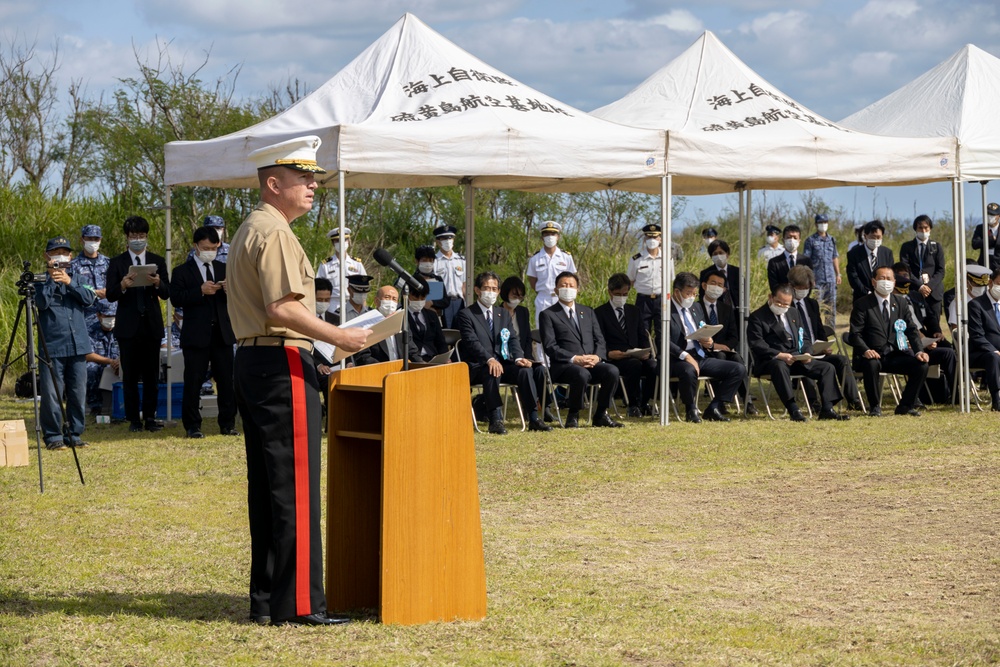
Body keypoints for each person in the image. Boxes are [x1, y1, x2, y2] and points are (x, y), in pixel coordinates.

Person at [228, 135, 370, 627]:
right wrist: (340, 336)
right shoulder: (275, 232)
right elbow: (283, 308)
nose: (313, 185)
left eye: (313, 177)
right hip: (280, 361)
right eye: (302, 177)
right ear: (273, 183)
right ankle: (301, 604)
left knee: (269, 486)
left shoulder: (254, 227)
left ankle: (269, 600)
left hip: (257, 361)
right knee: (294, 487)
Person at [457, 271, 551, 434]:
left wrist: (519, 357)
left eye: (494, 289)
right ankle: (495, 419)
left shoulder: (503, 314)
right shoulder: (467, 314)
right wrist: (489, 359)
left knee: (524, 370)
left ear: (499, 292)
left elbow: (513, 339)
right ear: (478, 290)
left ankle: (534, 417)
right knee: (492, 369)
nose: (491, 292)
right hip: (479, 366)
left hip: (504, 363)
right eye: (487, 288)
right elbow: (472, 343)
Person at [170, 227, 238, 439]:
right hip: (196, 334)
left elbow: (240, 298)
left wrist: (230, 290)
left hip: (222, 334)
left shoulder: (224, 268)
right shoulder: (182, 271)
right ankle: (192, 425)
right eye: (205, 248)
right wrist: (199, 291)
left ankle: (227, 424)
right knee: (193, 381)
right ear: (195, 246)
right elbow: (176, 298)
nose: (209, 251)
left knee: (226, 381)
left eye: (213, 248)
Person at [105, 215, 170, 433]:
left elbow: (168, 292)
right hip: (128, 326)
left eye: (142, 236)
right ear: (127, 238)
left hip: (151, 324)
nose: (138, 240)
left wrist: (158, 282)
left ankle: (150, 417)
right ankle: (133, 419)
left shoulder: (158, 261)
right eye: (134, 236)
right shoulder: (117, 262)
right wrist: (123, 285)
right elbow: (111, 295)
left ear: (147, 237)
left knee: (152, 375)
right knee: (130, 376)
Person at [747, 284, 848, 422]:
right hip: (771, 360)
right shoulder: (757, 317)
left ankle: (827, 408)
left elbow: (804, 337)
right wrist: (779, 355)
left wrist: (807, 353)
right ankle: (793, 409)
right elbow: (756, 344)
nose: (782, 306)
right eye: (779, 302)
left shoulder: (793, 313)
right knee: (780, 366)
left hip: (796, 357)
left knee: (827, 367)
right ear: (771, 297)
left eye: (785, 304)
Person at [539, 271, 622, 428]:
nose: (568, 288)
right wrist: (574, 359)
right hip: (564, 366)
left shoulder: (588, 312)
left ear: (578, 289)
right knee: (581, 373)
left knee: (612, 371)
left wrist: (597, 357)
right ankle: (573, 414)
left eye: (571, 286)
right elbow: (550, 346)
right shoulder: (548, 314)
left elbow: (600, 339)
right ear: (556, 290)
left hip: (591, 362)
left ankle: (601, 414)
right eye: (563, 285)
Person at [35, 236, 96, 450]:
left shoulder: (78, 278)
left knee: (78, 392)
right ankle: (53, 436)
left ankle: (74, 434)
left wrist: (69, 282)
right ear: (47, 256)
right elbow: (40, 304)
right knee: (52, 394)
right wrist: (52, 279)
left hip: (78, 345)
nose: (60, 256)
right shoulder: (39, 280)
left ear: (70, 256)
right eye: (55, 252)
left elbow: (89, 299)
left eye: (65, 252)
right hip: (52, 346)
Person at [848, 265, 929, 417]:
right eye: (881, 278)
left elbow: (911, 329)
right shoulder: (862, 304)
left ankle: (906, 405)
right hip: (871, 356)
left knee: (921, 366)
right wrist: (866, 350)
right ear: (873, 282)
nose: (886, 282)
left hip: (895, 354)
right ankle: (874, 407)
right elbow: (855, 334)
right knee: (872, 364)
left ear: (894, 282)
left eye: (889, 279)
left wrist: (919, 351)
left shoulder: (901, 303)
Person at [667, 272, 745, 423]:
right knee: (688, 370)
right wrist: (685, 356)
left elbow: (701, 328)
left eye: (694, 294)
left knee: (738, 369)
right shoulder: (665, 310)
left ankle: (714, 407)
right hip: (677, 358)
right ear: (677, 291)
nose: (691, 297)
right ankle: (690, 409)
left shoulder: (696, 307)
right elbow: (663, 340)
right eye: (688, 293)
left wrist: (707, 340)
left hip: (699, 354)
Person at [786, 265, 862, 410]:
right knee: (806, 363)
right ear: (791, 286)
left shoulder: (812, 304)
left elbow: (819, 330)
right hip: (798, 353)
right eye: (801, 287)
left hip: (817, 349)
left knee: (841, 360)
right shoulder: (785, 305)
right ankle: (813, 403)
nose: (804, 290)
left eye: (807, 287)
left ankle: (854, 400)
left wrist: (824, 346)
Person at [594, 273, 657, 418]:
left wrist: (645, 351)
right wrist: (609, 353)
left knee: (654, 366)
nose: (621, 297)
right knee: (633, 365)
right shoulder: (599, 313)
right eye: (618, 294)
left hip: (636, 354)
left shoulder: (634, 311)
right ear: (610, 292)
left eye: (625, 294)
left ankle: (644, 402)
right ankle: (633, 405)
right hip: (615, 357)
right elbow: (598, 339)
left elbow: (643, 335)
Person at [891, 269, 955, 405]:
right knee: (916, 359)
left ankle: (956, 394)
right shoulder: (889, 305)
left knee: (948, 351)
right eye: (900, 291)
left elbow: (930, 316)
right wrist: (922, 344)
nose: (904, 294)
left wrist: (936, 331)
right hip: (904, 347)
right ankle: (915, 398)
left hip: (922, 341)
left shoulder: (915, 297)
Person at [898, 215, 945, 336]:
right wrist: (920, 286)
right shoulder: (907, 247)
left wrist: (929, 286)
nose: (923, 231)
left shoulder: (936, 247)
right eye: (920, 228)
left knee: (934, 325)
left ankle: (934, 349)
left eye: (926, 228)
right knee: (914, 323)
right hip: (915, 291)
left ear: (930, 228)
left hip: (933, 293)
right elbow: (905, 270)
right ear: (915, 229)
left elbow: (940, 271)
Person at [527, 220, 576, 327]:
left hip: (563, 297)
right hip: (543, 299)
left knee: (565, 330)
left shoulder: (566, 257)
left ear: (558, 237)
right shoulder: (535, 259)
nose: (550, 237)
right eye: (546, 234)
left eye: (553, 234)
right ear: (542, 238)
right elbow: (532, 281)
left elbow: (572, 279)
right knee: (542, 331)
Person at [967, 267, 1000, 411]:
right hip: (981, 353)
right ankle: (997, 399)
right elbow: (976, 335)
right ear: (991, 283)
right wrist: (994, 350)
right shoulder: (976, 304)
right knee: (993, 357)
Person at [627, 223, 665, 343]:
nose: (652, 240)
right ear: (645, 239)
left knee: (662, 331)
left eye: (655, 237)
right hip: (643, 300)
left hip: (661, 299)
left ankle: (661, 358)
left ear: (660, 239)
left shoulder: (667, 258)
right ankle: (647, 358)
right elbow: (631, 280)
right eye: (649, 237)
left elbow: (670, 279)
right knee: (643, 331)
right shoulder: (636, 259)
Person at [801, 214, 841, 326]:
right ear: (816, 224)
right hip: (816, 280)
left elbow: (834, 257)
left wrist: (838, 274)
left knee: (831, 309)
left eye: (825, 222)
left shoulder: (831, 240)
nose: (823, 225)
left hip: (830, 280)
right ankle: (815, 331)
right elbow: (806, 260)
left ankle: (830, 332)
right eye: (820, 222)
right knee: (815, 307)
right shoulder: (810, 240)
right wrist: (809, 277)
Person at [70, 224, 110, 334]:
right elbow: (72, 290)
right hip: (85, 321)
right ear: (82, 240)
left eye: (96, 239)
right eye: (89, 238)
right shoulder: (73, 266)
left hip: (109, 319)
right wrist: (94, 293)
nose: (93, 242)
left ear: (100, 240)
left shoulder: (109, 263)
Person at [315, 226, 366, 312]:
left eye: (344, 240)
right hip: (332, 303)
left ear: (349, 241)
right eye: (337, 241)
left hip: (353, 302)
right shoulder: (326, 265)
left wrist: (363, 308)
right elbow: (318, 288)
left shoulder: (357, 264)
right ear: (333, 243)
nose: (341, 243)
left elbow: (364, 288)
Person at [365, 285, 419, 364]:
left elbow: (411, 350)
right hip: (377, 372)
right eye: (387, 297)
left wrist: (425, 365)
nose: (391, 302)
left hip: (400, 371)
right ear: (376, 301)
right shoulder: (367, 323)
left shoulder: (402, 322)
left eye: (394, 299)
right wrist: (384, 368)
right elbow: (364, 356)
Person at [846, 219, 894, 302]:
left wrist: (882, 292)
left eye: (878, 237)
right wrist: (867, 293)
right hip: (861, 298)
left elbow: (891, 275)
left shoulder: (887, 253)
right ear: (865, 236)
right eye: (872, 237)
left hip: (883, 298)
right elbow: (853, 277)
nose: (876, 240)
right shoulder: (854, 254)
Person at [86, 301, 120, 416]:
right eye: (107, 316)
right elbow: (87, 355)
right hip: (100, 364)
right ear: (99, 315)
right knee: (91, 368)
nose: (110, 319)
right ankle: (95, 407)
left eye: (113, 316)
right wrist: (110, 362)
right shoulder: (90, 330)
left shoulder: (121, 329)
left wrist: (121, 362)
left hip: (119, 364)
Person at [433, 225, 466, 328]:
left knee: (461, 334)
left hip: (460, 302)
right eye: (444, 238)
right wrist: (435, 308)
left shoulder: (462, 260)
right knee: (445, 334)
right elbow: (433, 287)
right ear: (438, 241)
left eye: (450, 238)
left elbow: (465, 285)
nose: (448, 241)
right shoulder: (434, 261)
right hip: (443, 304)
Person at [408, 279, 448, 362]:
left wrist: (445, 357)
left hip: (433, 357)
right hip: (413, 360)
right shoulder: (402, 316)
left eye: (422, 298)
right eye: (415, 298)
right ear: (407, 295)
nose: (419, 301)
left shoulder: (431, 315)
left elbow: (440, 341)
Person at [766, 224, 812, 292]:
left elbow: (810, 283)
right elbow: (774, 286)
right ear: (783, 240)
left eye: (795, 238)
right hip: (782, 300)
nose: (792, 240)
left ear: (799, 241)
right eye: (789, 237)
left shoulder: (806, 261)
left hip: (801, 300)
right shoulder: (774, 262)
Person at [947, 263, 991, 330]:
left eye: (983, 286)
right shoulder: (958, 303)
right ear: (967, 283)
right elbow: (955, 329)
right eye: (978, 285)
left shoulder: (989, 300)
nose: (981, 288)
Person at [698, 239, 740, 309]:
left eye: (721, 253)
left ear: (727, 254)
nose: (718, 256)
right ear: (711, 257)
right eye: (715, 254)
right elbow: (702, 295)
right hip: (717, 310)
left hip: (737, 310)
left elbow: (743, 292)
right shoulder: (706, 273)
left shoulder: (736, 271)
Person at [413, 244, 450, 318]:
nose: (428, 263)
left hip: (437, 317)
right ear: (417, 261)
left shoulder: (438, 279)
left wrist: (432, 303)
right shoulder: (412, 280)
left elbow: (446, 301)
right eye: (424, 260)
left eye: (430, 260)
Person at [971, 202, 1000, 271]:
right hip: (983, 266)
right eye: (988, 214)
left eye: (993, 214)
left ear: (998, 216)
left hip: (998, 267)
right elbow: (975, 244)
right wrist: (989, 240)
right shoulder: (980, 228)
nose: (990, 217)